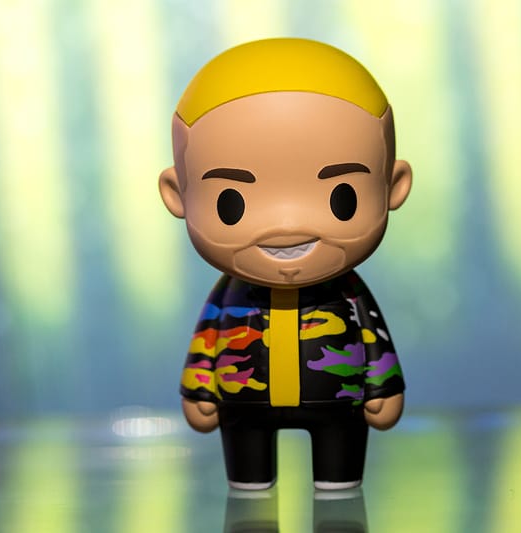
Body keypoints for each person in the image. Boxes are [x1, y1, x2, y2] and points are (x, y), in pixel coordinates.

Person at [159, 38, 412, 491]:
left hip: (338, 402)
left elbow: (372, 336)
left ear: (392, 186)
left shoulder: (348, 295)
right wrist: (199, 387)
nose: (287, 227)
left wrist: (383, 386)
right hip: (244, 405)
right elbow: (208, 337)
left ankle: (336, 496)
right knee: (249, 490)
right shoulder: (229, 296)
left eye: (342, 198)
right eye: (231, 203)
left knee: (339, 489)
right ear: (179, 195)